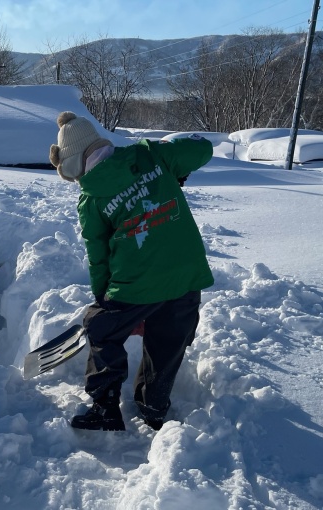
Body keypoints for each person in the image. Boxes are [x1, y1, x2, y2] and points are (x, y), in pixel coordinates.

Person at [49, 111, 214, 432]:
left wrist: (107, 306)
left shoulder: (91, 199)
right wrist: (169, 156)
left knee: (98, 328)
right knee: (167, 340)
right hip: (186, 274)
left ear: (77, 162)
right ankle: (154, 408)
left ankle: (105, 407)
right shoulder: (149, 155)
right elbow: (203, 149)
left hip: (135, 284)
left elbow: (100, 259)